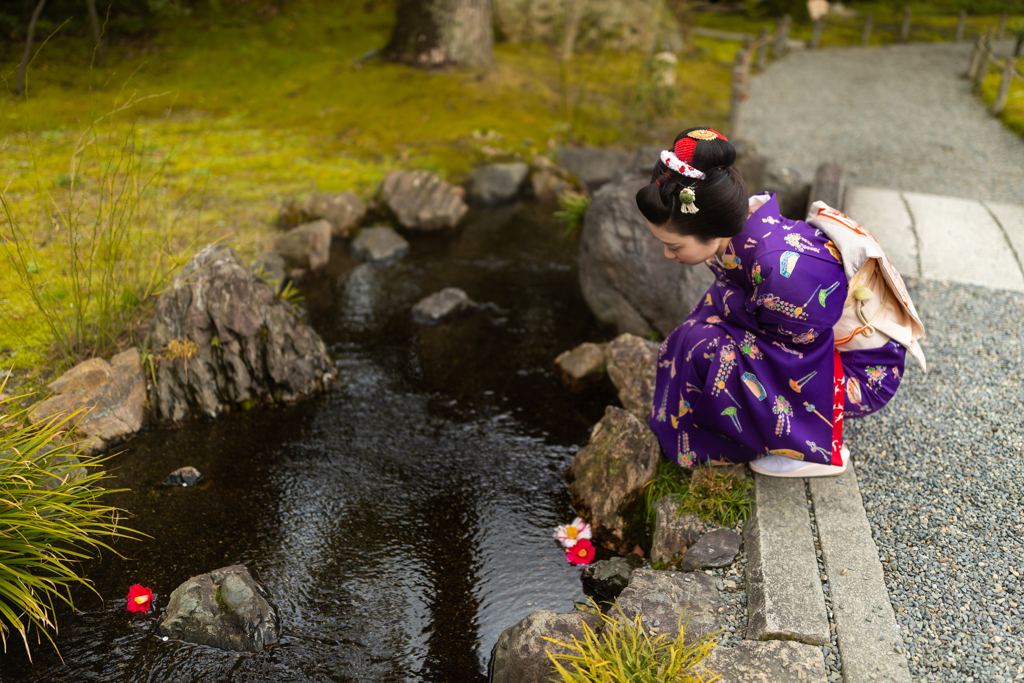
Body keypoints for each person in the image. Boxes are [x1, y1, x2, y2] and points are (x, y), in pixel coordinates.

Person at [636, 127, 926, 477]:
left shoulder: (782, 271)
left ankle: (812, 451)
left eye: (675, 246)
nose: (668, 255)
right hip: (799, 339)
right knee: (692, 335)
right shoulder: (740, 232)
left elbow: (798, 360)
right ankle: (694, 434)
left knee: (711, 348)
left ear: (712, 231)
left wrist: (723, 327)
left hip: (855, 370)